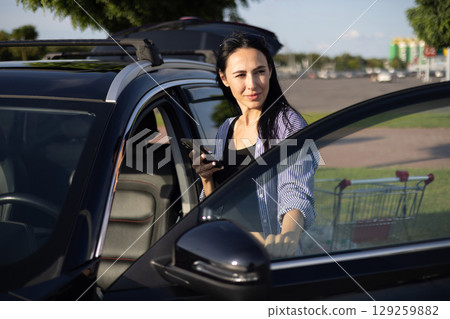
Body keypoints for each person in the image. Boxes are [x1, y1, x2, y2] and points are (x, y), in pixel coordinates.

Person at [190, 33, 316, 258]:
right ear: (224, 77)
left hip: (268, 256)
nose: (252, 84)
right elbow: (217, 206)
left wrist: (287, 237)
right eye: (240, 75)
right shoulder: (226, 129)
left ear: (270, 71)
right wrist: (207, 179)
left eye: (260, 72)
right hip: (227, 252)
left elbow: (295, 189)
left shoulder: (287, 123)